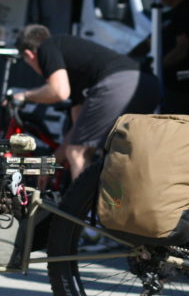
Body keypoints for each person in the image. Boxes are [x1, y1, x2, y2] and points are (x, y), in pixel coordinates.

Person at [10, 25, 161, 180]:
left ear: (29, 54)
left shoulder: (48, 46)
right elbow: (78, 132)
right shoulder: (76, 70)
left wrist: (24, 96)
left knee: (77, 152)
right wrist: (49, 165)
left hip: (120, 83)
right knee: (111, 153)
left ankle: (82, 204)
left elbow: (59, 91)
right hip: (148, 85)